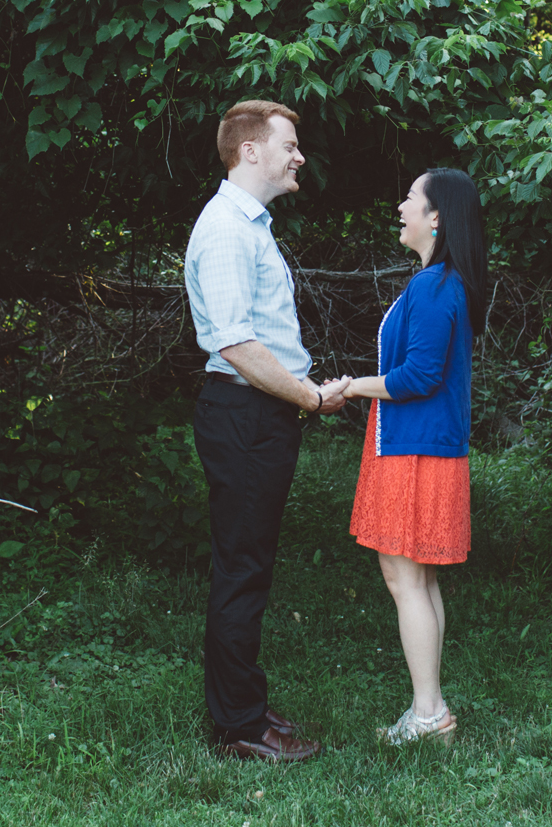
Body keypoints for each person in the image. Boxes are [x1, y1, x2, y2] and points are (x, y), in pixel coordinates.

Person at [183, 99, 347, 763]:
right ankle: (240, 727)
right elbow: (237, 345)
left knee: (247, 564)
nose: (298, 155)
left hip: (259, 414)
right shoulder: (226, 229)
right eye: (289, 143)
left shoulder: (249, 224)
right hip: (246, 413)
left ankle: (240, 702)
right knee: (242, 569)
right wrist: (308, 394)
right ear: (250, 150)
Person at [332, 167, 485, 745]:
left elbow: (418, 377)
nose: (400, 207)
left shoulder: (434, 285)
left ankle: (427, 716)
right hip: (425, 446)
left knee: (403, 576)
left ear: (437, 216)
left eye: (410, 199)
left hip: (415, 449)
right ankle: (432, 710)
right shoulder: (444, 282)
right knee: (416, 577)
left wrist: (350, 386)